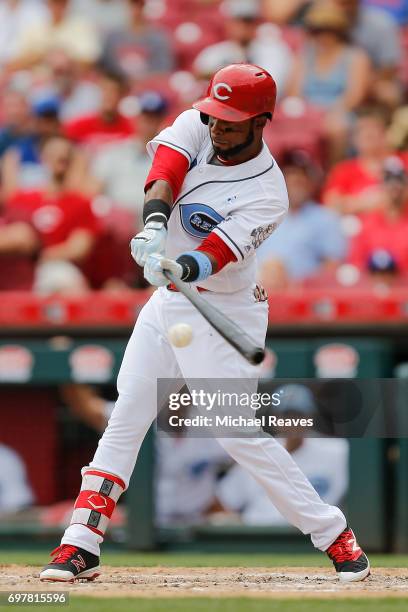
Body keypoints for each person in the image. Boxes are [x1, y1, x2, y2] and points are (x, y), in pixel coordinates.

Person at [39, 63, 370, 584]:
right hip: (169, 300)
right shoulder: (200, 121)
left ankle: (334, 534)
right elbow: (166, 168)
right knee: (129, 410)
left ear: (261, 122)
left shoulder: (269, 192)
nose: (217, 128)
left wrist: (183, 263)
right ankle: (80, 543)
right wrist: (153, 224)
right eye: (215, 117)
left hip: (224, 305)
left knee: (235, 432)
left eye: (231, 122)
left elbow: (217, 251)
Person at [216, 385, 349, 525]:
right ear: (275, 418)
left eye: (298, 415)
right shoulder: (259, 451)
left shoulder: (337, 451)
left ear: (310, 416)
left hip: (308, 537)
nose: (292, 421)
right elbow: (224, 500)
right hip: (257, 533)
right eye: (286, 415)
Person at [257, 150, 346, 289]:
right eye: (290, 177)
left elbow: (333, 267)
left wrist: (302, 285)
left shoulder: (325, 218)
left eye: (300, 178)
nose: (295, 182)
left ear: (310, 182)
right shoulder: (261, 215)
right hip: (258, 295)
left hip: (303, 298)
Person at [89, 91, 169, 218]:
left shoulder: (169, 157)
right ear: (136, 119)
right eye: (145, 116)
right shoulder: (113, 152)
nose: (148, 122)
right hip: (115, 222)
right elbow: (93, 191)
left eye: (154, 117)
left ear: (161, 120)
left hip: (150, 222)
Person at [193, 0, 293, 95]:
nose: (243, 26)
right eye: (238, 20)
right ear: (229, 23)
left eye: (248, 20)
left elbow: (270, 87)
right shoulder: (214, 53)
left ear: (257, 23)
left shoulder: (272, 50)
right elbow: (200, 83)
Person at [323, 105, 408, 214]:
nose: (368, 134)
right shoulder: (344, 170)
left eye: (374, 129)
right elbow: (331, 204)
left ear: (386, 133)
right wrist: (367, 203)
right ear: (354, 139)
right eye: (362, 130)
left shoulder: (404, 160)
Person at [348, 156, 408, 276]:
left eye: (400, 182)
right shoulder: (367, 224)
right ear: (381, 188)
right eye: (389, 182)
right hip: (370, 289)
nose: (395, 188)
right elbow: (356, 265)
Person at [100, 0, 174, 82]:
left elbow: (163, 71)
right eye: (133, 5)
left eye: (140, 6)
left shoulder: (159, 37)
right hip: (119, 87)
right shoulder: (113, 36)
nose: (136, 11)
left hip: (148, 87)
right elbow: (106, 68)